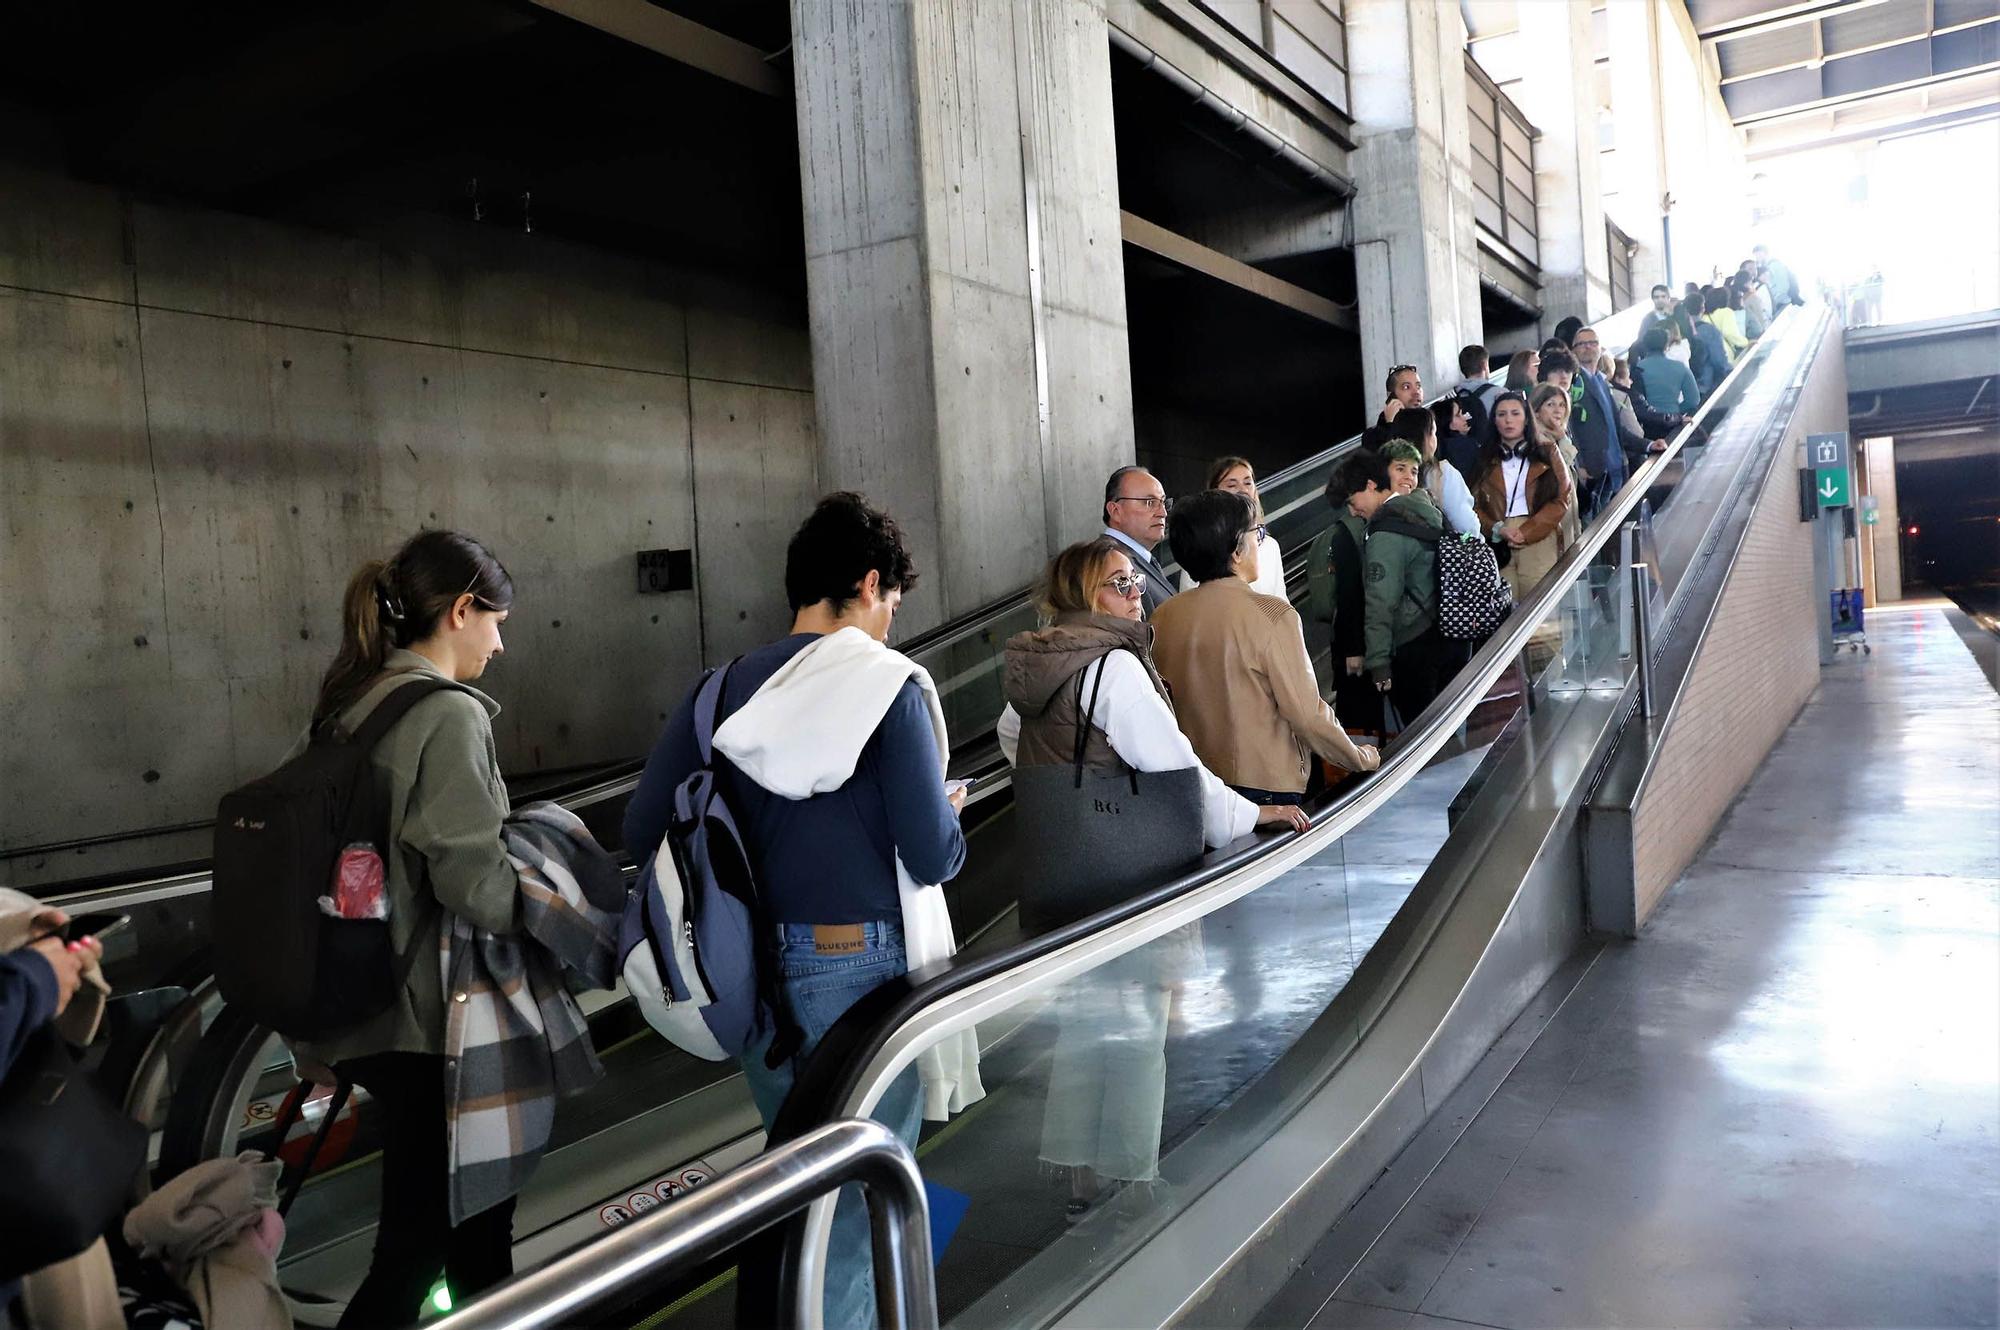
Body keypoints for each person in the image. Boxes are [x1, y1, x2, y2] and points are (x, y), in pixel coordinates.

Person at [626, 493, 967, 1330]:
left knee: (795, 1190)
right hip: (862, 973)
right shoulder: (888, 688)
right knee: (861, 1198)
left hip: (747, 977)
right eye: (891, 601)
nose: (889, 620)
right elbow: (931, 855)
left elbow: (641, 828)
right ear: (869, 582)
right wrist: (947, 811)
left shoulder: (719, 692)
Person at [294, 530, 522, 1329]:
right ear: (460, 610)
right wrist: (558, 900)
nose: (499, 642)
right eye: (495, 620)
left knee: (470, 1234)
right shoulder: (445, 716)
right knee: (427, 1244)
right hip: (428, 1025)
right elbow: (476, 888)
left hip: (352, 999)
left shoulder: (348, 701)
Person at [1150, 490, 1379, 806]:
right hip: (1266, 787)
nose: (1259, 542)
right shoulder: (1272, 614)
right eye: (1255, 533)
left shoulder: (1162, 617)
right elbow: (1307, 714)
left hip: (1198, 787)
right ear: (1236, 551)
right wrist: (1359, 757)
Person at [1305, 453, 1391, 746]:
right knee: (1361, 714)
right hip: (1354, 647)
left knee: (1358, 715)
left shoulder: (1347, 531)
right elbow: (1349, 593)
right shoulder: (1351, 533)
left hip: (1349, 642)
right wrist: (1354, 652)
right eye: (1351, 502)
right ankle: (1361, 773)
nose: (1355, 509)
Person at [1363, 441, 1450, 723]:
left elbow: (1381, 600)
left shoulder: (1387, 531)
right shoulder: (1432, 513)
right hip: (1443, 631)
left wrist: (1378, 662)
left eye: (1413, 471)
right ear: (1383, 474)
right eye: (1400, 469)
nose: (1408, 477)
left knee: (1419, 731)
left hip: (1410, 642)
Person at [1475, 391, 1572, 602]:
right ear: (1494, 421)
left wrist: (1526, 531)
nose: (1508, 420)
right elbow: (1472, 505)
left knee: (1540, 607)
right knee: (1504, 611)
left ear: (1527, 418)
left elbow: (1562, 498)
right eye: (1501, 414)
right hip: (1498, 536)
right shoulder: (1484, 457)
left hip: (1538, 531)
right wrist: (1496, 528)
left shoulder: (1547, 451)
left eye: (1515, 413)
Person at [1177, 457, 1286, 599]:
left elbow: (1282, 602)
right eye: (1232, 485)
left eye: (1248, 483)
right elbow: (1190, 603)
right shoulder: (1199, 545)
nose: (1243, 490)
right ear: (1215, 493)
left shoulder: (1270, 546)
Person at [1565, 328, 1639, 519]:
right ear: (1573, 351)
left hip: (1615, 470)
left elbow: (1614, 426)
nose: (1588, 347)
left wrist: (1647, 443)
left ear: (1600, 348)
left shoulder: (1602, 381)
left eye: (1593, 342)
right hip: (1593, 474)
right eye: (1581, 344)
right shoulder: (1573, 383)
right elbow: (1570, 427)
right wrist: (1578, 464)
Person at [1387, 403, 1478, 536]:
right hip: (1442, 553)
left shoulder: (1386, 472)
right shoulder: (1442, 473)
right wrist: (1464, 544)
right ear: (1426, 439)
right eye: (1434, 433)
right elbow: (1467, 527)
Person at [1101, 466, 1177, 617]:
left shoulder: (1142, 558)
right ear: (1115, 511)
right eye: (1149, 502)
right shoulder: (1107, 562)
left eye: (1163, 503)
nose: (1163, 513)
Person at [1633, 325, 1700, 415]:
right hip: (1673, 419)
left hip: (1647, 421)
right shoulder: (1681, 367)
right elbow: (1693, 400)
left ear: (1645, 346)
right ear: (1666, 345)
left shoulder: (1637, 368)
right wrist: (1676, 411)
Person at [1451, 344, 1503, 446]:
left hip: (1464, 451)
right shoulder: (1499, 394)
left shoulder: (1453, 396)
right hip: (1492, 451)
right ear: (1484, 365)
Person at [1362, 363, 1424, 447]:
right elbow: (1386, 456)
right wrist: (1390, 425)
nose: (1416, 392)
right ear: (1391, 395)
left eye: (1418, 386)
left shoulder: (1429, 425)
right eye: (1406, 387)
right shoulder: (1372, 436)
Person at [1432, 396, 1484, 489]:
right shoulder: (1465, 445)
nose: (1464, 417)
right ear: (1447, 422)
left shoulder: (1437, 445)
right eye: (1457, 415)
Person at [1684, 293, 1727, 395]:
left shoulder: (1678, 330)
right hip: (1706, 384)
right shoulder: (1709, 330)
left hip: (1686, 387)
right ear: (1702, 308)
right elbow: (1718, 360)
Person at [1708, 285, 1749, 362]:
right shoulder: (1726, 312)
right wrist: (1746, 342)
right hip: (1726, 354)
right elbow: (1730, 333)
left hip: (1713, 357)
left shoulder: (1706, 315)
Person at [1753, 244, 1801, 308]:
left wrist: (1774, 301)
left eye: (1758, 255)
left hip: (1786, 300)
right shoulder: (1766, 265)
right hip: (1783, 299)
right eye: (1756, 256)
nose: (1757, 258)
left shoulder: (1774, 264)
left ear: (1765, 253)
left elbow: (1783, 285)